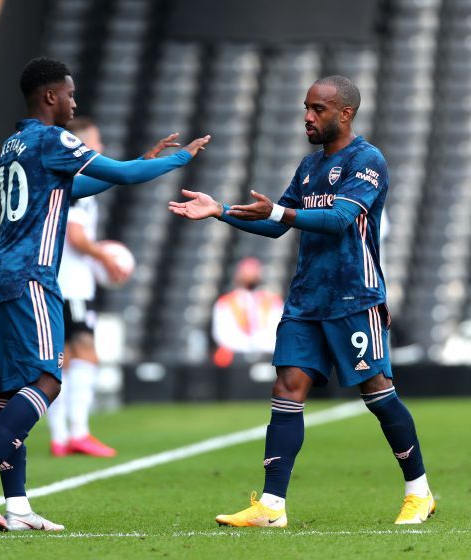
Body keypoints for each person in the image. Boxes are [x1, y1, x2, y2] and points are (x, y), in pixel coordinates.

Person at [0, 56, 210, 532]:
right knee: (48, 380)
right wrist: (180, 159)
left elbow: (71, 189)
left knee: (12, 393)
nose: (75, 102)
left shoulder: (14, 142)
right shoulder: (53, 138)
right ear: (50, 96)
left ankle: (20, 507)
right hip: (31, 274)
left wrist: (141, 162)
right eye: (69, 94)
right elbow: (122, 176)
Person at [169, 75, 434, 526]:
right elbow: (277, 224)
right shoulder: (309, 166)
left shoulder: (367, 161)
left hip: (355, 296)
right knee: (287, 389)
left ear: (345, 114)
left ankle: (419, 492)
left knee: (377, 393)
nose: (308, 117)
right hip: (306, 299)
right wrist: (222, 211)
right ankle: (272, 507)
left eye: (318, 109)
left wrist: (277, 210)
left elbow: (337, 219)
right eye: (306, 108)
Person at [47, 117, 180, 458]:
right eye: (95, 141)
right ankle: (76, 432)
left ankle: (62, 436)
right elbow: (76, 237)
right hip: (71, 285)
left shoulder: (67, 181)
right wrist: (103, 256)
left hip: (60, 281)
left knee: (61, 360)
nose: (101, 147)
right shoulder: (76, 183)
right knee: (84, 354)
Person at [211, 257, 283, 360]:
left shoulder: (273, 301)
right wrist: (248, 345)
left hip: (267, 354)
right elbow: (222, 334)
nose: (249, 276)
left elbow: (277, 329)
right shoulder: (226, 302)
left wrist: (259, 343)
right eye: (246, 273)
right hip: (235, 356)